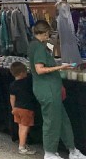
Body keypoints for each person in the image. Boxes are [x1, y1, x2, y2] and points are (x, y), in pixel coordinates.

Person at [27, 20, 86, 159]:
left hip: (51, 87)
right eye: (47, 34)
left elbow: (51, 51)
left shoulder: (37, 45)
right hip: (47, 89)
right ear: (43, 33)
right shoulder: (39, 47)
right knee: (52, 121)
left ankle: (72, 149)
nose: (48, 36)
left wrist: (53, 39)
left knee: (62, 119)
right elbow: (39, 70)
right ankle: (49, 152)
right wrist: (61, 67)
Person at [8, 62, 37, 155]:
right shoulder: (27, 82)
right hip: (26, 108)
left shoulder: (12, 85)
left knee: (21, 127)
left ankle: (22, 144)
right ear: (22, 73)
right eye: (25, 71)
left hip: (17, 108)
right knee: (25, 128)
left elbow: (12, 98)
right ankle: (22, 147)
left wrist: (13, 108)